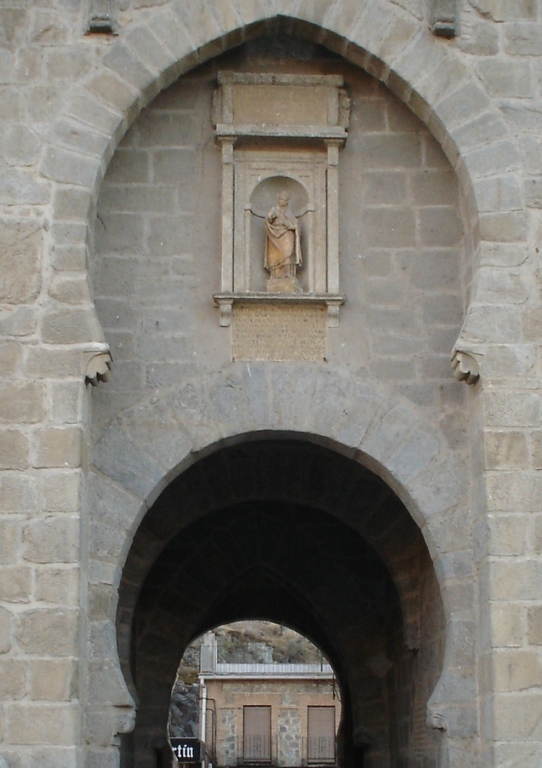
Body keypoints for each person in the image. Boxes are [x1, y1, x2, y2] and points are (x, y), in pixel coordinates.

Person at [264, 191, 302, 282]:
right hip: (274, 234)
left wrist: (292, 226)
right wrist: (270, 217)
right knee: (275, 255)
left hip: (286, 234)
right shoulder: (274, 209)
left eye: (285, 200)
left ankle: (287, 272)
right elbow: (267, 220)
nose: (283, 201)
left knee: (288, 251)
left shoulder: (289, 212)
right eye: (281, 199)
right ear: (279, 200)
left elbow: (295, 224)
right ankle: (276, 274)